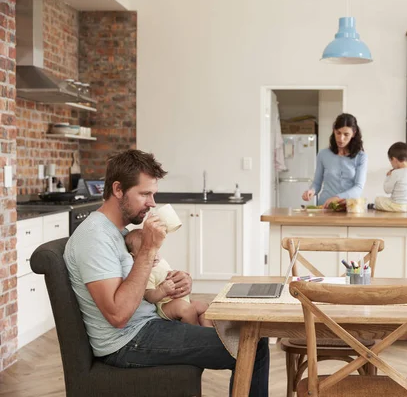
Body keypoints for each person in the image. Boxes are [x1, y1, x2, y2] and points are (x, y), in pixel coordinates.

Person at [63, 149, 269, 396]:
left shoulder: (117, 232)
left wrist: (176, 282)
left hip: (148, 326)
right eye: (145, 194)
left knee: (253, 335)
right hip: (128, 342)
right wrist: (149, 249)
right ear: (118, 190)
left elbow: (137, 284)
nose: (152, 203)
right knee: (253, 346)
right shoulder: (94, 236)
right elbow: (118, 315)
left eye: (154, 194)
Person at [124, 229, 213, 327]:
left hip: (179, 299)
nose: (155, 255)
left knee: (205, 307)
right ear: (133, 257)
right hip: (165, 305)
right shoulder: (146, 272)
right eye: (148, 252)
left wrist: (177, 275)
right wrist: (162, 290)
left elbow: (166, 273)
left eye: (156, 249)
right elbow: (149, 297)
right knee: (188, 310)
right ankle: (198, 332)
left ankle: (209, 329)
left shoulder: (160, 262)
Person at [302, 113, 368, 208]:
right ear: (334, 131)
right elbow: (317, 183)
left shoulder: (361, 157)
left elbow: (358, 187)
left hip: (349, 208)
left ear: (353, 133)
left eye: (346, 134)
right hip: (325, 207)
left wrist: (337, 197)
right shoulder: (323, 154)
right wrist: (311, 191)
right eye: (338, 133)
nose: (341, 138)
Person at [375, 142, 407, 212]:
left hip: (398, 206)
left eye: (391, 161)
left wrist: (388, 176)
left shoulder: (395, 173)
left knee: (378, 200)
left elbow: (387, 190)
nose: (391, 164)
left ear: (394, 160)